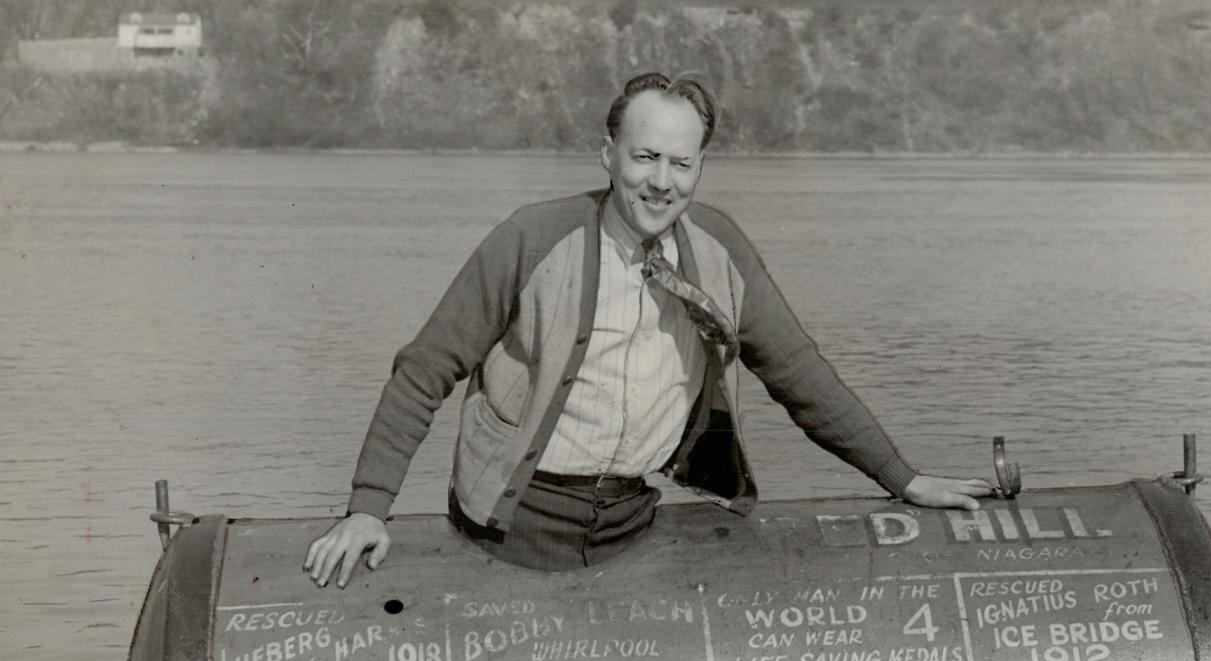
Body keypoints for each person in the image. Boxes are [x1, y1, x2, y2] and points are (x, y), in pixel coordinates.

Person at [304, 71, 991, 588]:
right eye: (644, 157)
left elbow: (799, 374)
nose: (661, 182)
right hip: (512, 528)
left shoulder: (720, 249)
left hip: (635, 524)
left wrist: (902, 477)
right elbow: (425, 370)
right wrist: (369, 508)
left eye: (680, 162)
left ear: (699, 167)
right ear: (608, 155)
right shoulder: (532, 237)